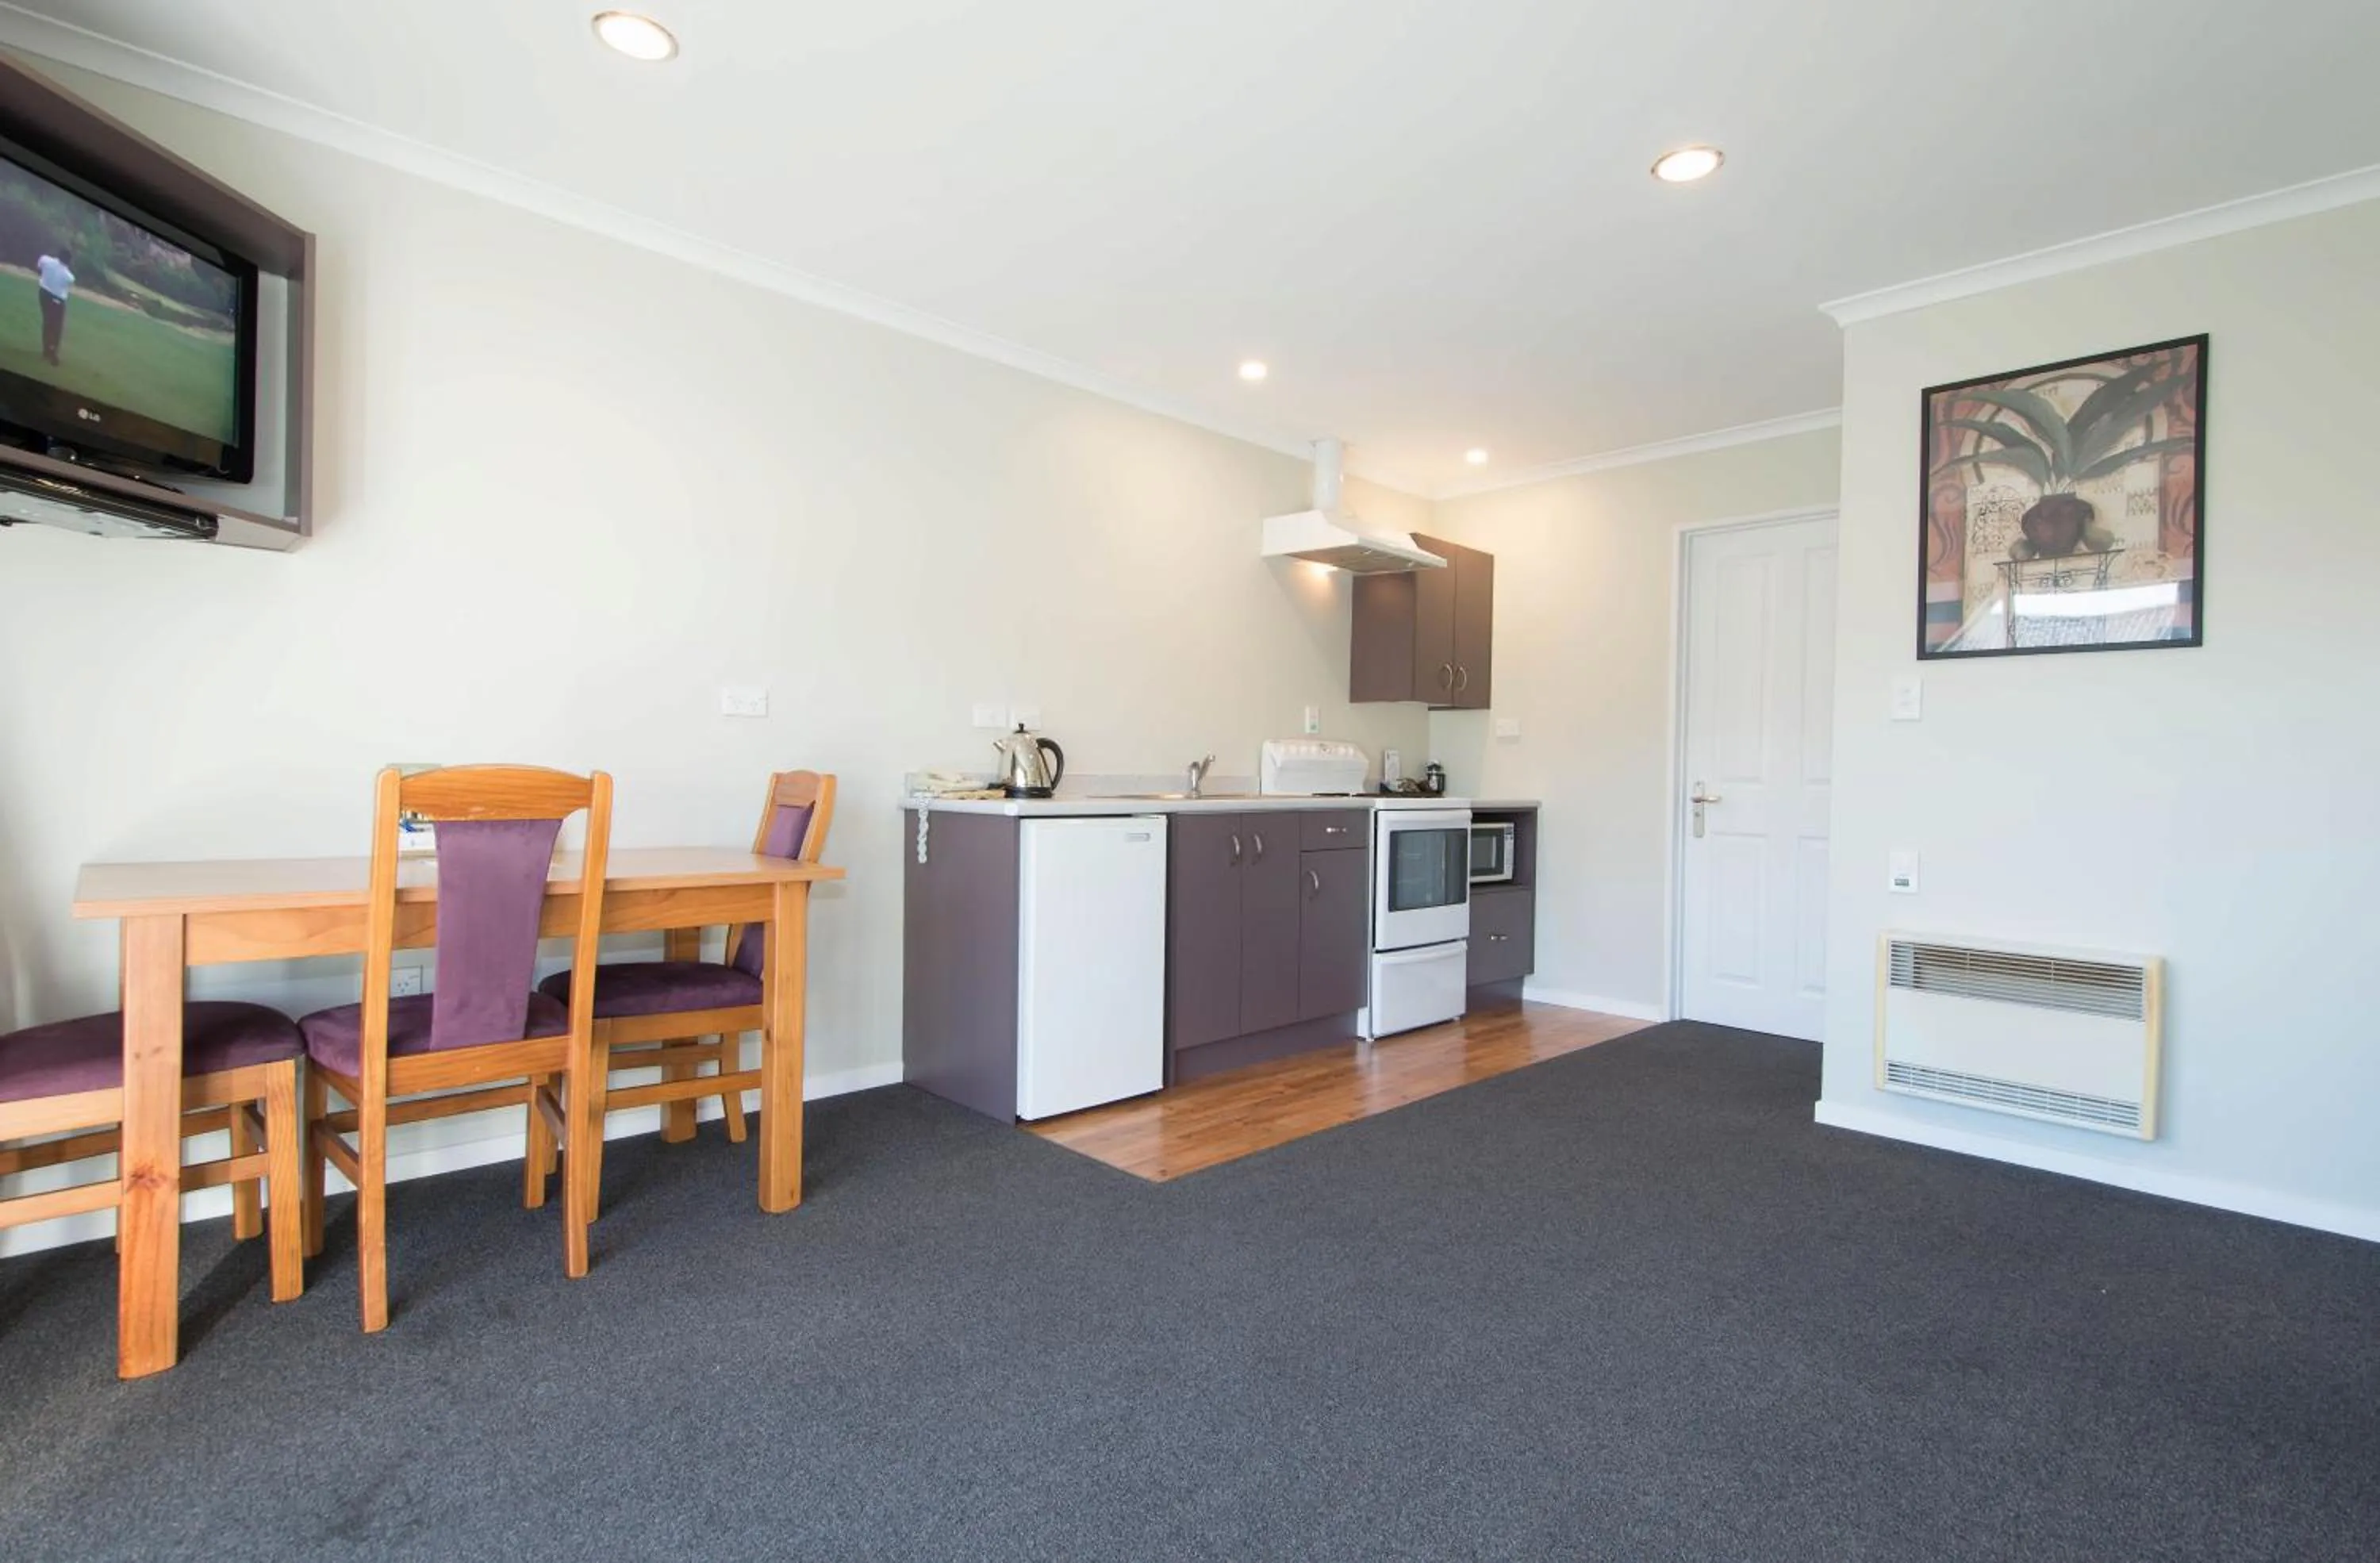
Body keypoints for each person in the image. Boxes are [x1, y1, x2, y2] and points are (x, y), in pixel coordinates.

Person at [36, 244, 73, 365]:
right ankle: (52, 350)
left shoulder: (46, 260)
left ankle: (47, 349)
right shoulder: (69, 276)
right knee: (56, 326)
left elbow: (39, 267)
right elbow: (65, 286)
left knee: (47, 322)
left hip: (43, 294)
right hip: (57, 300)